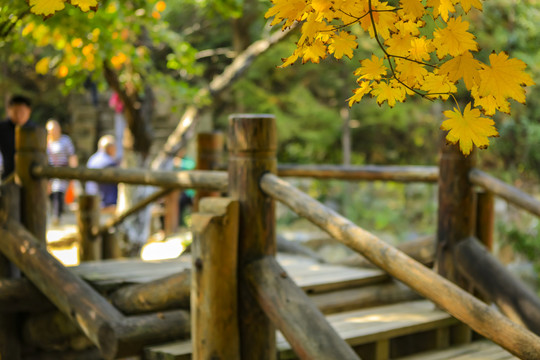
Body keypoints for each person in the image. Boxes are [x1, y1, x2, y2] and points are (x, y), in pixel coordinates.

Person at [46, 119, 78, 225]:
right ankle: (56, 214)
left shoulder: (65, 140)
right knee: (52, 194)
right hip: (49, 172)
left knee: (58, 192)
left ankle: (57, 216)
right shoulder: (47, 142)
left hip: (62, 171)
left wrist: (73, 172)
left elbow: (72, 156)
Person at [0, 95, 35, 181]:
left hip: (31, 178)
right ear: (9, 110)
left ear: (29, 111)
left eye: (22, 112)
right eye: (16, 112)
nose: (19, 115)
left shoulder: (36, 130)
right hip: (6, 178)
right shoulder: (2, 128)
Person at [86, 135, 118, 212]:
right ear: (110, 148)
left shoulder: (91, 160)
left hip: (92, 201)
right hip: (107, 204)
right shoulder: (109, 163)